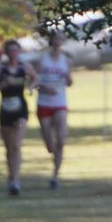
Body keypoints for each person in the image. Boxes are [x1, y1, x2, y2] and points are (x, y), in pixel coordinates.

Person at [0, 39, 37, 195]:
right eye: (10, 51)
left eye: (16, 50)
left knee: (16, 145)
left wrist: (31, 87)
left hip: (21, 111)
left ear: (19, 51)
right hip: (5, 111)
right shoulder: (0, 69)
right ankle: (11, 177)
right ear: (6, 53)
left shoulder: (24, 67)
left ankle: (15, 180)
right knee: (9, 148)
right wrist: (1, 85)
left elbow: (36, 78)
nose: (13, 53)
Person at [36, 31, 72, 188]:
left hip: (60, 103)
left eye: (60, 40)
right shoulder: (42, 59)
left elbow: (69, 82)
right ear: (51, 42)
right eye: (55, 40)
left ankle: (55, 175)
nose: (57, 43)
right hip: (44, 103)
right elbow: (34, 80)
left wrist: (69, 79)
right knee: (50, 144)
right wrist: (43, 88)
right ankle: (50, 148)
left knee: (61, 140)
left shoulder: (66, 60)